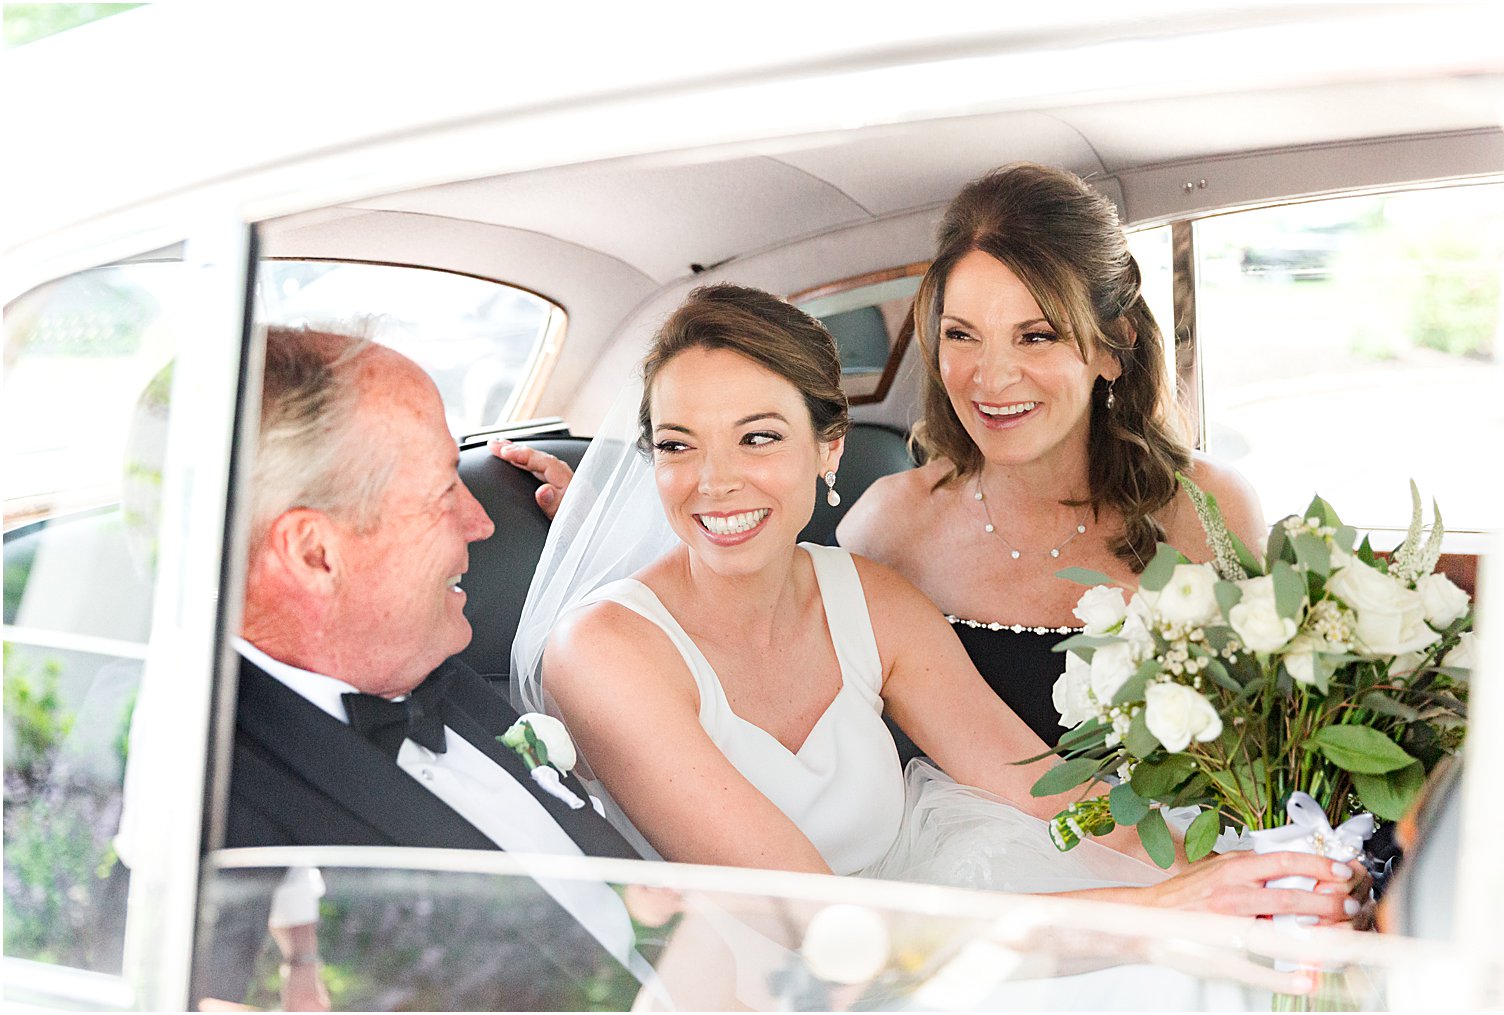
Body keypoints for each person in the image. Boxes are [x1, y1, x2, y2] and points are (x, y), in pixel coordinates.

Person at [512, 285, 1363, 921]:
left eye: (759, 436)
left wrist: (1245, 868)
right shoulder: (604, 652)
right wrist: (1160, 913)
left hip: (931, 931)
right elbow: (812, 921)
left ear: (828, 449)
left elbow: (1047, 792)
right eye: (677, 445)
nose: (715, 480)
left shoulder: (870, 598)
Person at [218, 324, 652, 1003]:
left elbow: (645, 912)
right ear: (314, 554)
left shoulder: (426, 659)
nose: (481, 521)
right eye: (443, 490)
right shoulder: (224, 822)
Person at [837, 163, 1265, 751]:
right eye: (962, 335)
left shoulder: (1210, 511)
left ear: (1113, 350)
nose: (991, 377)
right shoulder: (886, 527)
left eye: (1035, 336)